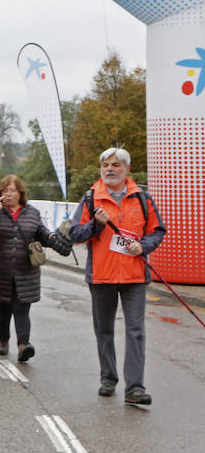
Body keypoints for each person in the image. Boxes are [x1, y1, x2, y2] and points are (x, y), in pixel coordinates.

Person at [69, 146, 166, 405]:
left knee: (135, 331)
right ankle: (108, 378)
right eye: (105, 166)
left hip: (134, 275)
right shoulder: (91, 198)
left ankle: (135, 387)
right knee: (104, 330)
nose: (109, 170)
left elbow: (157, 231)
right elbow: (75, 234)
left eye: (115, 165)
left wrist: (143, 246)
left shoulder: (142, 198)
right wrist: (96, 224)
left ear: (126, 169)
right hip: (102, 275)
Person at [0, 175, 72, 362]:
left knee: (21, 308)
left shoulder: (32, 213)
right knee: (2, 307)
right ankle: (3, 341)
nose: (8, 194)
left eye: (12, 190)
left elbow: (41, 233)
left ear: (20, 193)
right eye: (5, 190)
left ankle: (23, 345)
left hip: (25, 271)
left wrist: (53, 238)